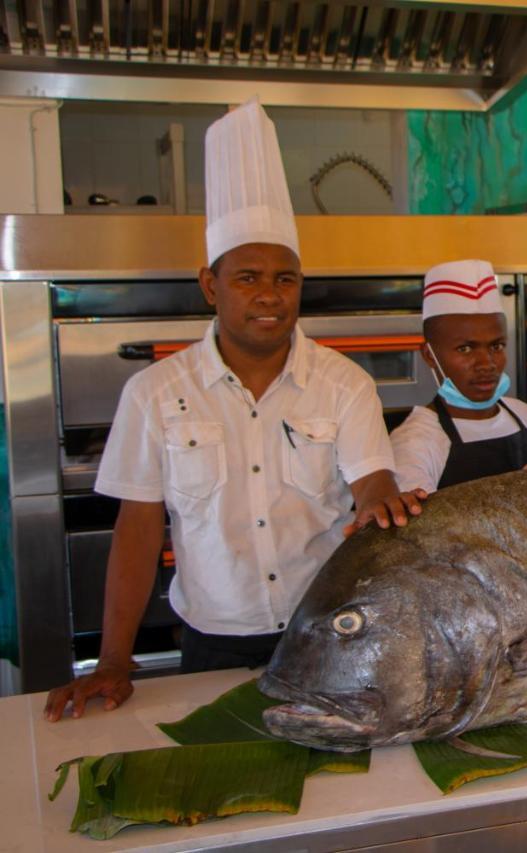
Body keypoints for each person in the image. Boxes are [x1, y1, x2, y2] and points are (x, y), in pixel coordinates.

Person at [45, 99, 421, 721]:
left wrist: (385, 497)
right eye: (247, 277)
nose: (270, 296)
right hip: (211, 642)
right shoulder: (156, 393)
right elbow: (138, 528)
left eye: (286, 278)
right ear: (209, 284)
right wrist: (114, 659)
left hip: (328, 630)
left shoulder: (344, 384)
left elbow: (372, 481)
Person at [390, 259, 527, 492]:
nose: (486, 364)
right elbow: (425, 529)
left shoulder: (526, 417)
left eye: (496, 346)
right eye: (465, 349)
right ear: (429, 355)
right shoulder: (414, 444)